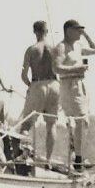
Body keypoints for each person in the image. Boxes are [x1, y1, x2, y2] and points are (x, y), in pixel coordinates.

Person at [55, 19, 95, 167]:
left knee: (83, 120)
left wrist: (86, 34)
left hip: (81, 84)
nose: (80, 33)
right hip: (69, 85)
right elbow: (56, 68)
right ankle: (78, 158)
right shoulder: (62, 47)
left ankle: (78, 155)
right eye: (77, 30)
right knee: (78, 120)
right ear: (68, 30)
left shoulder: (78, 46)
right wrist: (76, 69)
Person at [20, 21, 62, 164]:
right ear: (47, 31)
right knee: (51, 125)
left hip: (38, 84)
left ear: (34, 32)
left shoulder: (31, 50)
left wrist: (30, 86)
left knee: (26, 125)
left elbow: (24, 75)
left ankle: (23, 155)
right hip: (55, 85)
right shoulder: (55, 49)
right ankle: (48, 161)